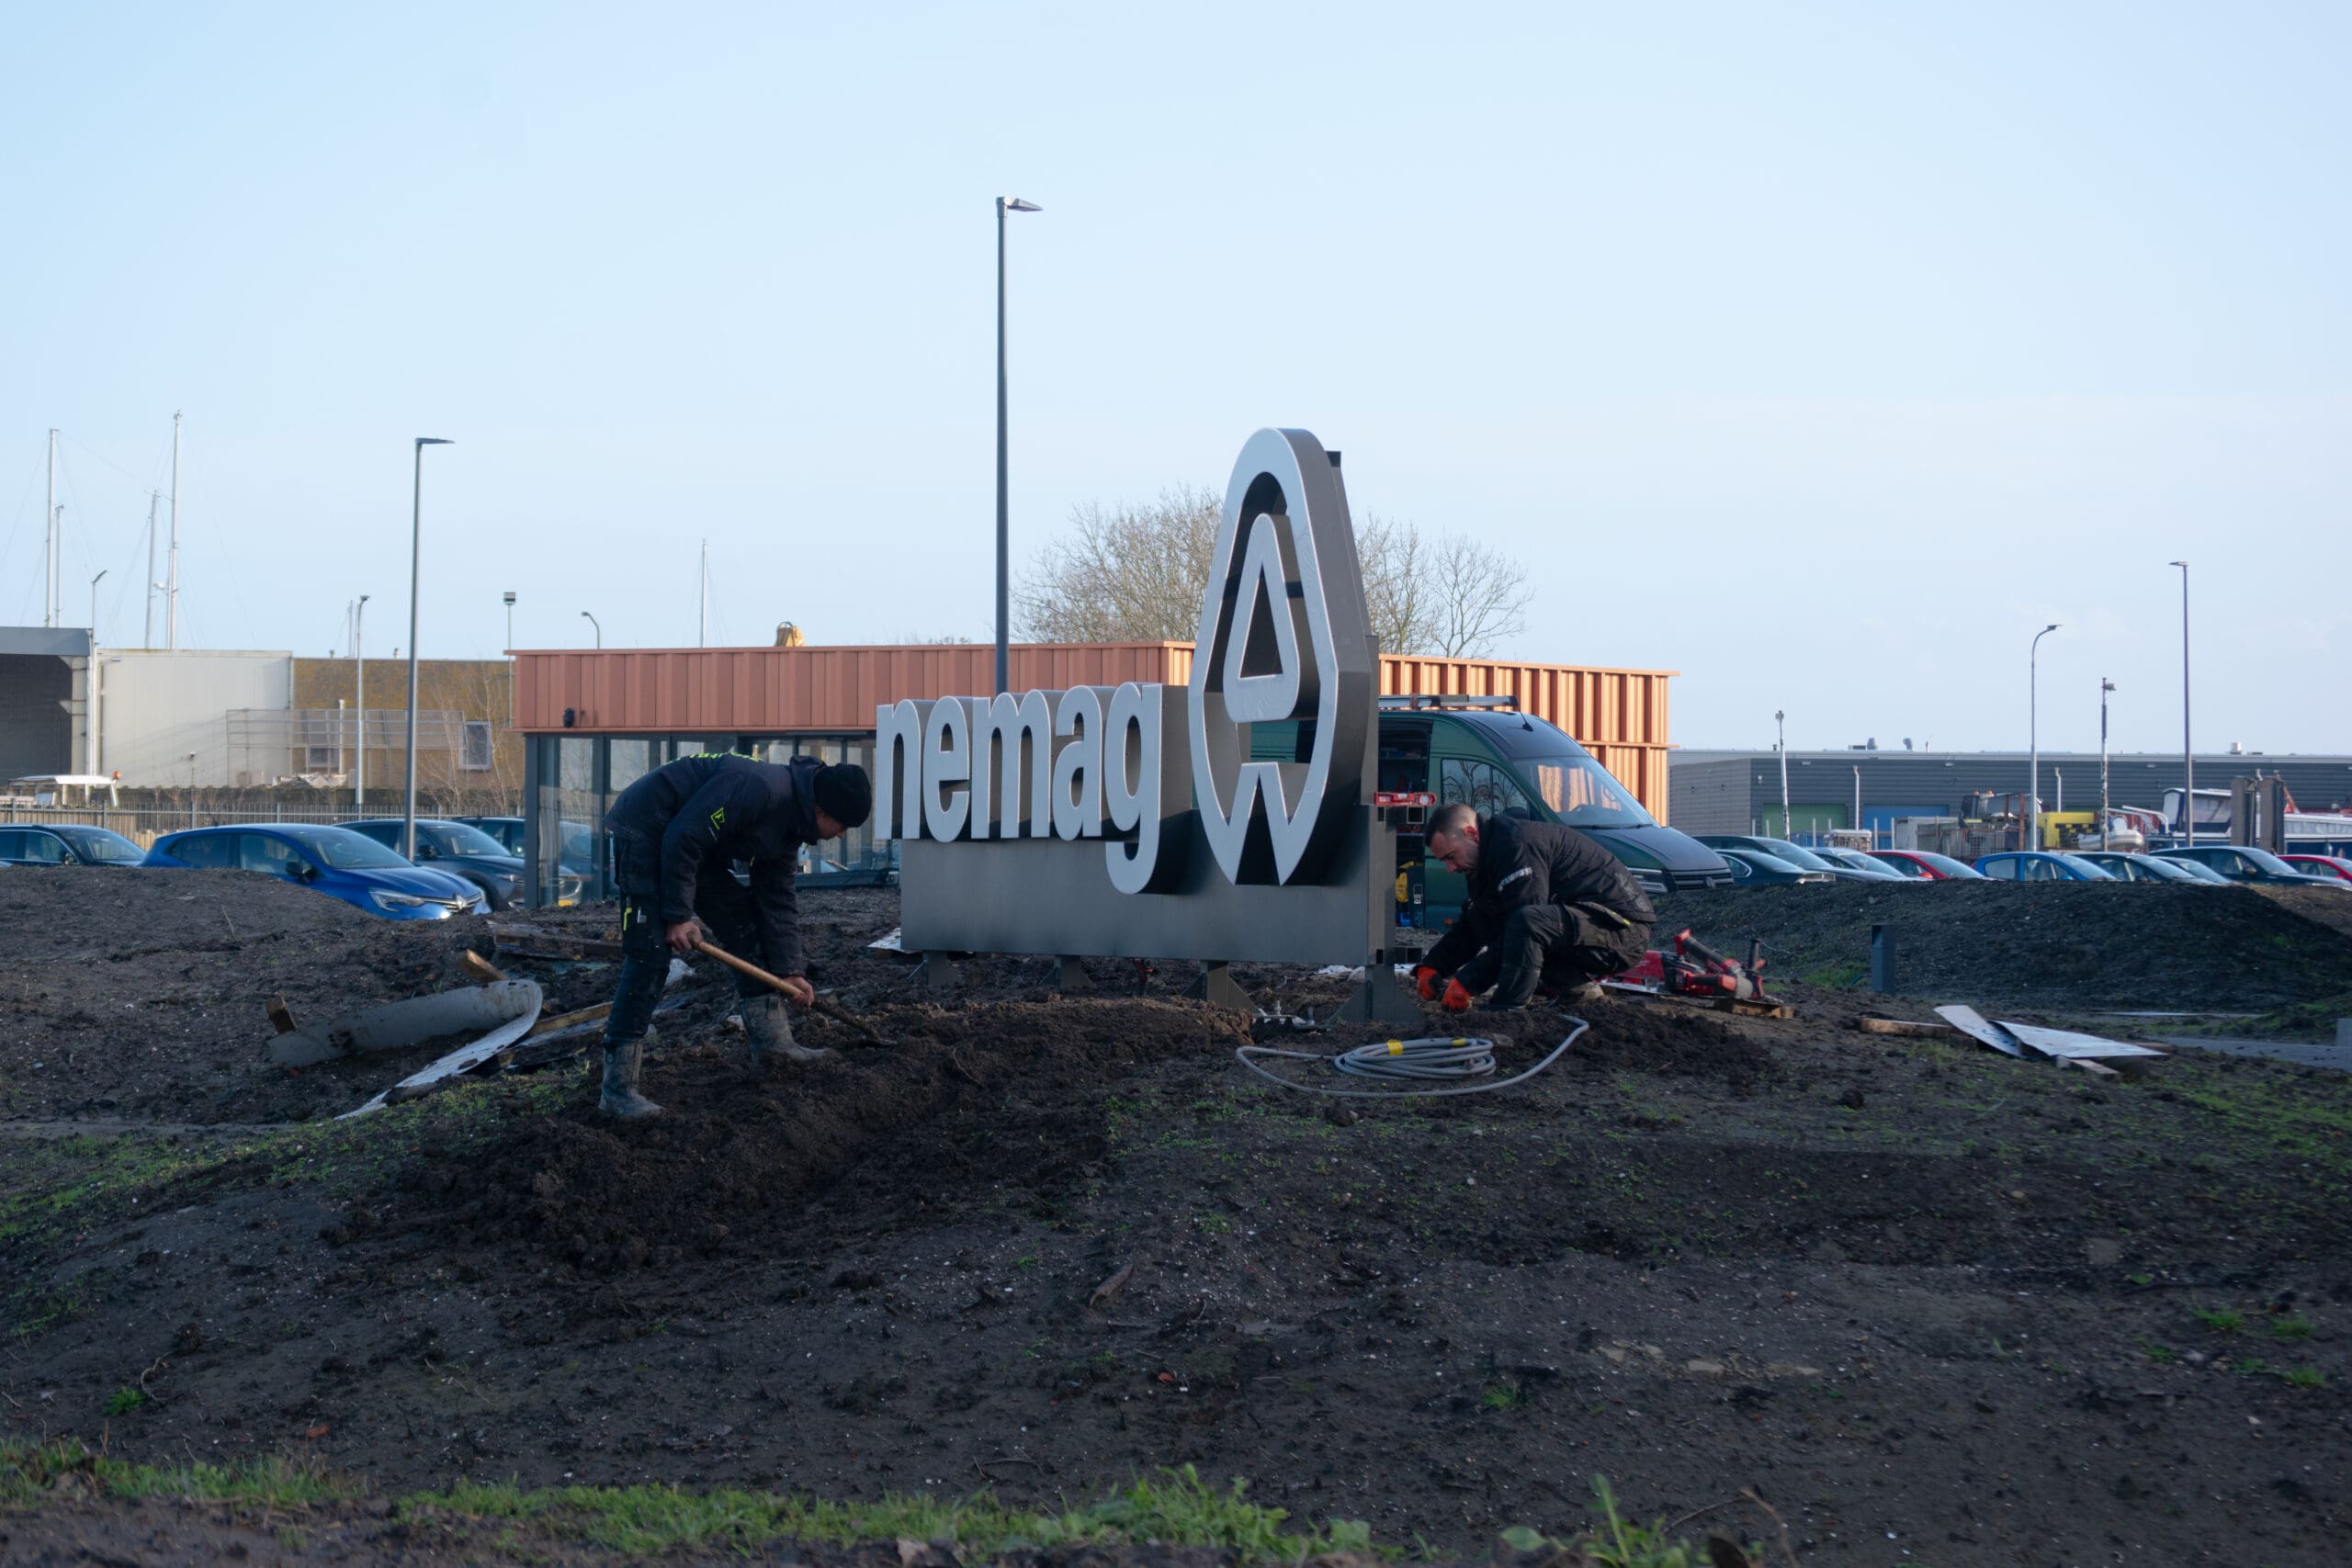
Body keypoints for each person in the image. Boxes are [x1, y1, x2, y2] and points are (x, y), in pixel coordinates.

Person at [596, 749, 873, 1119]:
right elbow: (684, 836)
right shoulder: (761, 789)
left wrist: (790, 970)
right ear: (822, 809)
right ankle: (617, 1091)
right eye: (842, 826)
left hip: (690, 843)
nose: (840, 835)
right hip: (648, 827)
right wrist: (677, 916)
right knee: (650, 956)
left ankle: (775, 1047)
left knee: (747, 929)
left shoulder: (792, 823)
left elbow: (776, 900)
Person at [1413, 801, 1653, 1012]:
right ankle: (1579, 991)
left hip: (1624, 930)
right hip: (1587, 923)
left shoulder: (1517, 846)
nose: (1450, 868)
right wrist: (1432, 966)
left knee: (1527, 923)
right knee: (1512, 923)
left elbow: (1523, 926)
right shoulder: (1485, 862)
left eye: (1451, 857)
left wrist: (1467, 982)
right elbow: (1477, 924)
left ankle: (1508, 1009)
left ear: (1471, 834)